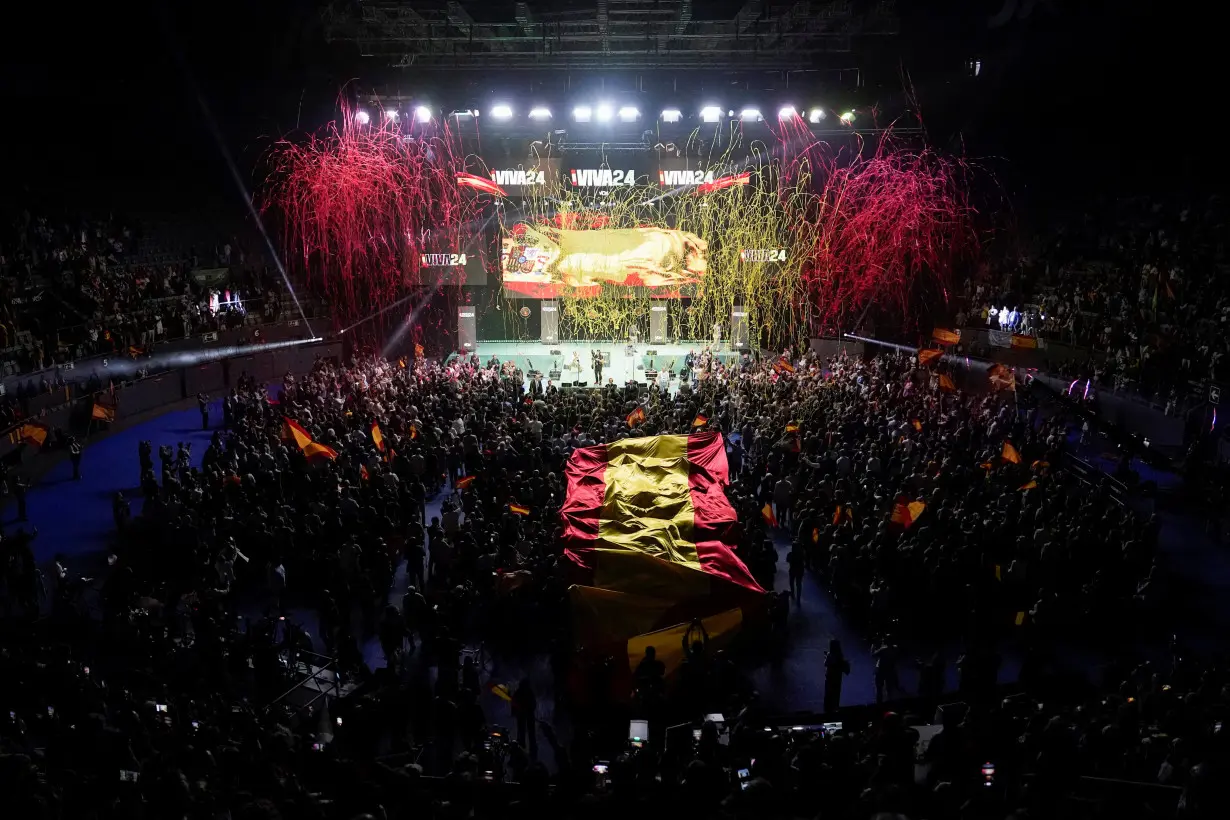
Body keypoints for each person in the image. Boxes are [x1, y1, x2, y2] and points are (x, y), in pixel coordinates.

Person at [511, 678, 538, 756]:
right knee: (529, 733)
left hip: (523, 714)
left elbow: (514, 702)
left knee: (522, 732)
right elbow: (533, 703)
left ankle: (522, 749)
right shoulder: (529, 692)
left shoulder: (519, 692)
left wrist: (515, 711)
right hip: (526, 713)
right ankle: (529, 750)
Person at [823, 639, 849, 713]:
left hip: (830, 679)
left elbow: (826, 664)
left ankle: (828, 713)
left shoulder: (830, 654)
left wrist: (827, 656)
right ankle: (835, 711)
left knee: (828, 697)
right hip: (837, 678)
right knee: (836, 696)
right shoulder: (840, 655)